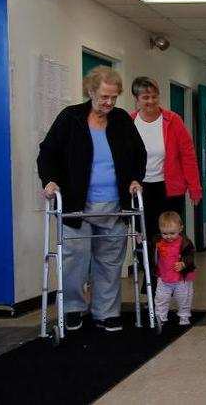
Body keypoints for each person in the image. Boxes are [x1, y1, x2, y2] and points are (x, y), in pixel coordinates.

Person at [37, 66, 146, 333]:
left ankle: (106, 312)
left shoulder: (121, 120)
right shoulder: (71, 117)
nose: (108, 103)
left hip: (114, 202)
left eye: (113, 98)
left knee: (110, 260)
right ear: (90, 92)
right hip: (77, 203)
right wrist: (49, 180)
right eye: (103, 98)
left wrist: (135, 178)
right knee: (75, 259)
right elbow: (47, 153)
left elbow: (138, 153)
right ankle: (73, 309)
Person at [130, 77, 202, 290]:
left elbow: (187, 155)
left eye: (154, 96)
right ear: (136, 99)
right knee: (145, 237)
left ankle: (175, 280)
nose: (151, 101)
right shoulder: (129, 121)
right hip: (141, 188)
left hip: (168, 188)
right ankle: (151, 283)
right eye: (145, 97)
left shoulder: (172, 120)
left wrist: (194, 188)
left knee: (170, 237)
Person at [154, 211, 196, 326]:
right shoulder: (158, 241)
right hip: (164, 278)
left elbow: (190, 256)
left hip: (181, 279)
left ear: (180, 228)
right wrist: (140, 240)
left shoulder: (185, 243)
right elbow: (149, 248)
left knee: (184, 299)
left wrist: (184, 264)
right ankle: (160, 316)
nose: (168, 237)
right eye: (164, 233)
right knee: (160, 298)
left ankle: (184, 316)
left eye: (172, 233)